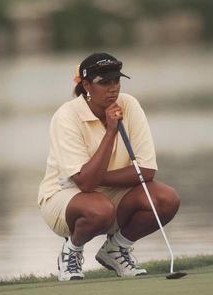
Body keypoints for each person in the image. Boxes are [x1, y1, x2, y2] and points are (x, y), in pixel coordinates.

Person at [38, 52, 180, 281]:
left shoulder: (129, 105)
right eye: (104, 82)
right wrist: (111, 131)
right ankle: (71, 251)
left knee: (167, 199)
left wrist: (92, 177)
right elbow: (84, 185)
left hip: (110, 192)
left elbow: (146, 172)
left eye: (116, 81)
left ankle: (116, 248)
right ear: (86, 86)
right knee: (99, 209)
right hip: (64, 196)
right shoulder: (66, 116)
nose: (113, 88)